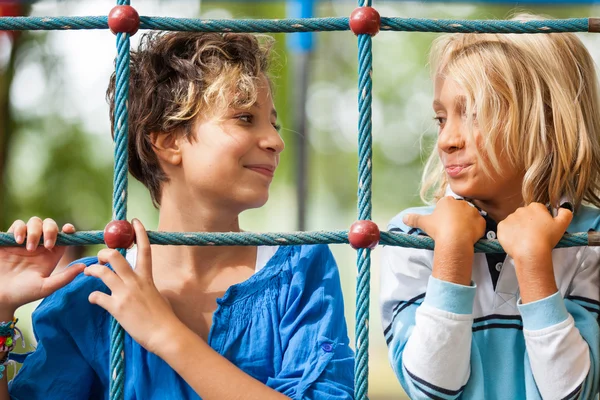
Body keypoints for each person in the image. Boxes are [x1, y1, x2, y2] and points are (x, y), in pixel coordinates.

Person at [0, 31, 354, 399]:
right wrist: (1, 306)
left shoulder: (298, 273)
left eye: (273, 124)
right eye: (245, 118)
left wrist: (165, 334)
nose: (276, 141)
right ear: (168, 140)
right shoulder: (96, 298)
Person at [380, 14, 600, 400]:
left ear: (546, 121)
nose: (446, 140)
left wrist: (533, 263)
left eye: (475, 112)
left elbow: (572, 394)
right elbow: (429, 390)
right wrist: (450, 252)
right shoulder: (412, 235)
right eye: (441, 118)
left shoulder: (590, 238)